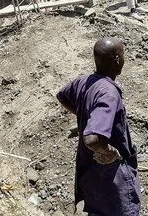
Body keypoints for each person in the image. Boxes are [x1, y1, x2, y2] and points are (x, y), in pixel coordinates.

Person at [57, 37, 141, 216]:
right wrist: (108, 151)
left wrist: (84, 116)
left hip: (90, 173)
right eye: (123, 55)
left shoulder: (84, 80)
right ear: (117, 60)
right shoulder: (108, 94)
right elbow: (92, 139)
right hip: (112, 178)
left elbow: (62, 95)